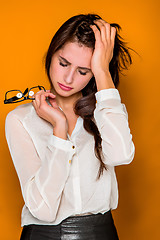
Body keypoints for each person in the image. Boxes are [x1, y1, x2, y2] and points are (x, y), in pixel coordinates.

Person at [5, 13, 135, 240]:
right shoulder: (21, 120)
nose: (68, 77)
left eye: (83, 71)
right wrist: (59, 128)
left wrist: (102, 70)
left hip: (101, 234)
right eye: (63, 63)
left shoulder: (104, 112)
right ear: (51, 54)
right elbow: (42, 209)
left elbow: (121, 155)